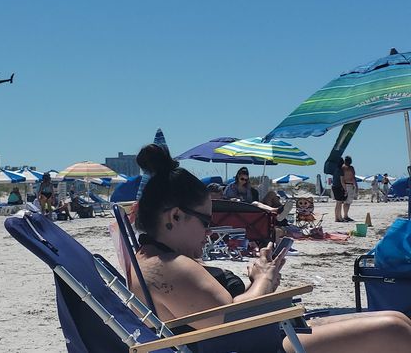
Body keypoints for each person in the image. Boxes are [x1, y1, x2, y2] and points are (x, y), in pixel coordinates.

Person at [130, 143, 411, 353]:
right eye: (206, 221)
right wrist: (265, 278)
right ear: (175, 216)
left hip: (264, 332)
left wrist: (259, 279)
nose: (209, 232)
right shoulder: (168, 267)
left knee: (396, 319)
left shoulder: (153, 259)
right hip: (262, 343)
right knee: (394, 329)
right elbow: (230, 321)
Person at [340, 156, 356, 222]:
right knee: (347, 202)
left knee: (347, 202)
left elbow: (353, 177)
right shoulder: (346, 168)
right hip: (347, 185)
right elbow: (353, 177)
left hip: (347, 185)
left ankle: (345, 215)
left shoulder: (344, 167)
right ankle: (345, 215)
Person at [331, 157, 347, 222]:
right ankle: (339, 217)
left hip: (334, 186)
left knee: (337, 203)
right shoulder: (341, 170)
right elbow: (342, 181)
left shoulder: (335, 169)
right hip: (338, 187)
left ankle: (336, 218)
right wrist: (345, 189)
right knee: (339, 203)